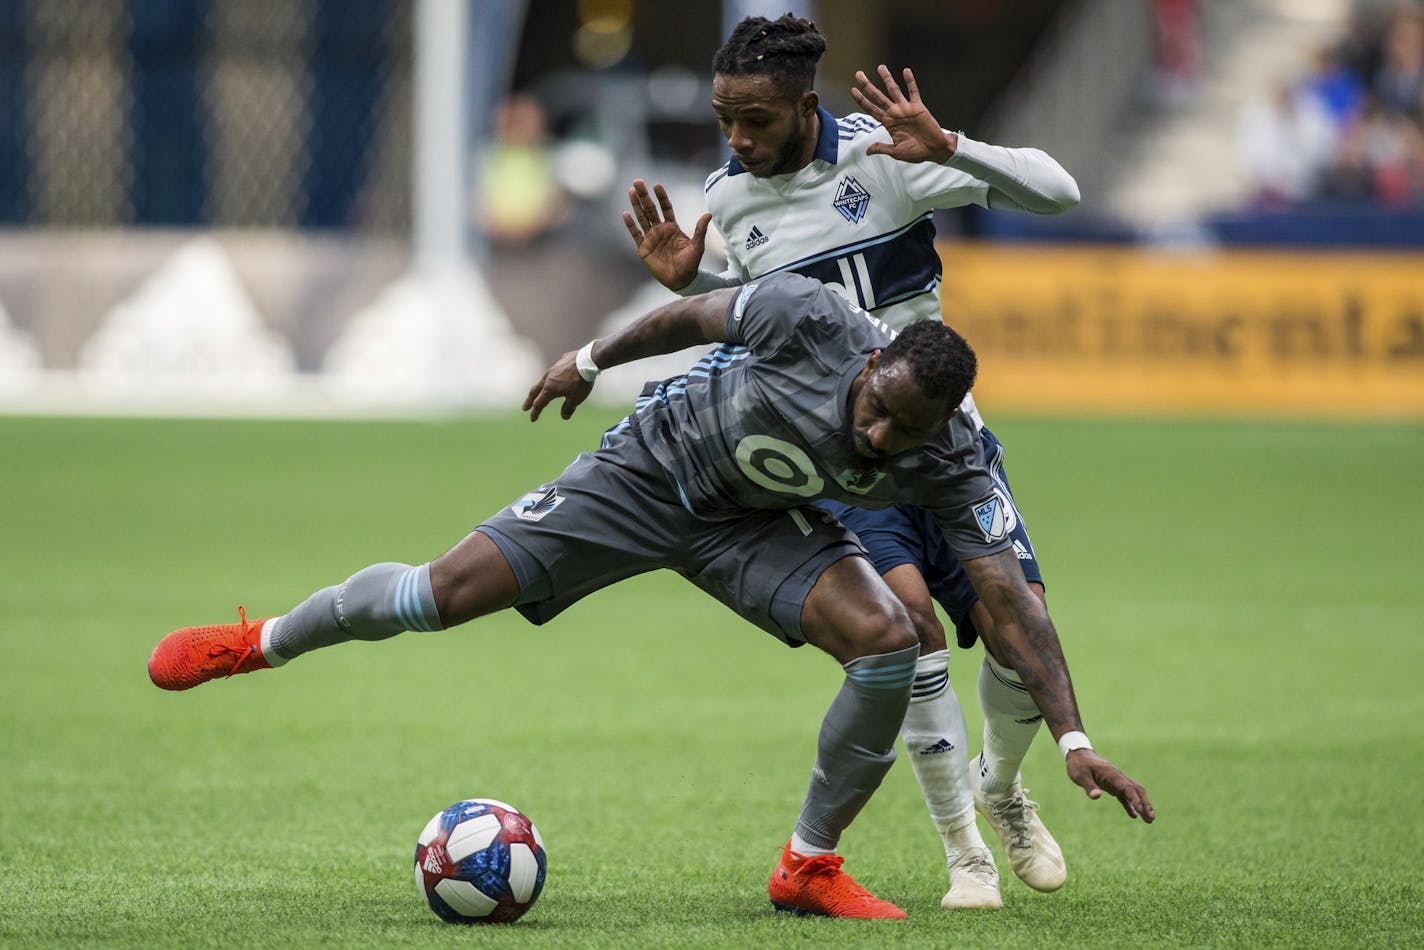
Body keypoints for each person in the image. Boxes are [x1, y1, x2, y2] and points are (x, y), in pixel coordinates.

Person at [148, 274, 1154, 920]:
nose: (881, 437)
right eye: (876, 408)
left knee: (889, 640)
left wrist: (1070, 735)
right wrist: (589, 360)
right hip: (642, 472)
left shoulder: (949, 456)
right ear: (874, 360)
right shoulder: (810, 318)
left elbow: (1011, 604)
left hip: (753, 526)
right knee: (437, 592)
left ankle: (806, 866)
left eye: (907, 430)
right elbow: (688, 315)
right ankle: (257, 639)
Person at [620, 14, 1087, 910]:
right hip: (848, 457)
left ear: (804, 104)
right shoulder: (736, 195)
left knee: (1018, 624)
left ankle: (1003, 789)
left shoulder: (886, 157)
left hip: (946, 445)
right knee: (906, 623)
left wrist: (952, 145)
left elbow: (1059, 191)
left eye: (754, 119)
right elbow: (770, 311)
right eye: (725, 119)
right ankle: (965, 852)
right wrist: (695, 284)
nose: (737, 139)